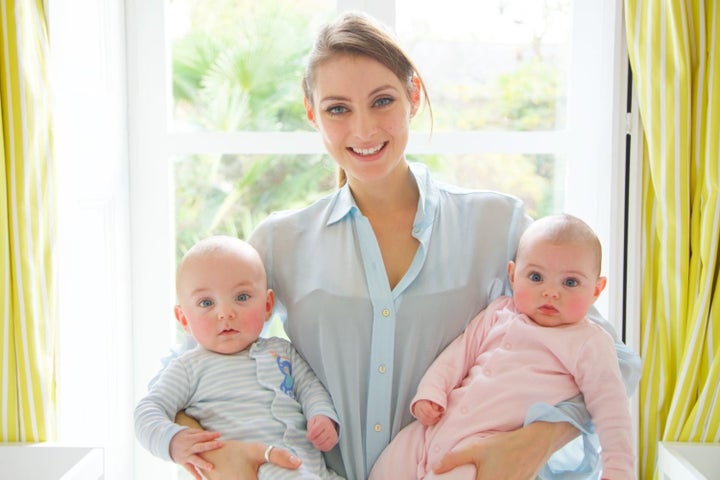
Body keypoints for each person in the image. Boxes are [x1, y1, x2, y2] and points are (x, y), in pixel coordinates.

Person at [171, 11, 641, 480]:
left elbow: (614, 363)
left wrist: (528, 444)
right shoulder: (278, 242)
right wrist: (217, 451)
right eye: (338, 108)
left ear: (413, 96)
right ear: (312, 113)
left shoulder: (497, 225)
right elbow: (185, 370)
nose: (364, 129)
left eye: (382, 101)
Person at [368, 214, 635, 480]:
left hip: (486, 451)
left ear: (597, 290)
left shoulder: (589, 342)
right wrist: (431, 391)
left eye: (570, 282)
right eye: (535, 276)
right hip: (432, 429)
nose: (551, 292)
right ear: (513, 275)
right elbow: (459, 354)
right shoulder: (498, 313)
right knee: (388, 466)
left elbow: (612, 409)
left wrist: (618, 470)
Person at [135, 235, 343, 479]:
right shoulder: (188, 368)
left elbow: (309, 387)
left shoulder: (282, 351)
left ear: (267, 306)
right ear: (183, 320)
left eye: (242, 297)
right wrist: (172, 441)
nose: (225, 313)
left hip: (314, 470)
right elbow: (147, 410)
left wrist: (322, 416)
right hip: (257, 471)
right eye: (206, 302)